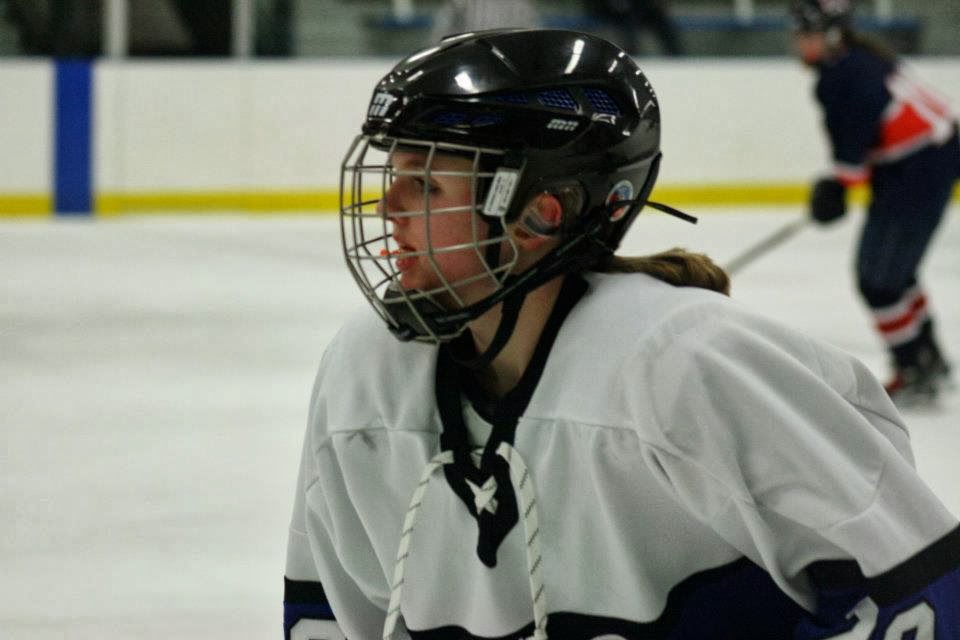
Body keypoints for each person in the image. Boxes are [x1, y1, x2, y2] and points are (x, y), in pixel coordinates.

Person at [284, 28, 960, 640]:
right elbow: (328, 620)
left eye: (426, 184)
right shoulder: (363, 374)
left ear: (540, 214)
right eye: (391, 176)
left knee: (883, 274)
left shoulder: (687, 365)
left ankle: (920, 351)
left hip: (920, 171)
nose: (387, 208)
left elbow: (919, 591)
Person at [791, 0, 958, 406]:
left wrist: (837, 186)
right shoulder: (861, 58)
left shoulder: (840, 76)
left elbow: (853, 150)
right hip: (929, 159)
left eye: (806, 35)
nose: (799, 44)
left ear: (830, 36)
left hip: (918, 169)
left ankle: (914, 369)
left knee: (878, 281)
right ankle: (927, 357)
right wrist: (840, 184)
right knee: (894, 274)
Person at [583, 0, 684, 56]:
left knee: (661, 22)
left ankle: (676, 57)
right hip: (610, 10)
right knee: (628, 22)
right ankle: (632, 57)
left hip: (638, 9)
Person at [430, 0, 540, 43]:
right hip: (469, 66)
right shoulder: (460, 3)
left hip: (510, 69)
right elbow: (438, 41)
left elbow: (535, 41)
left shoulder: (522, 6)